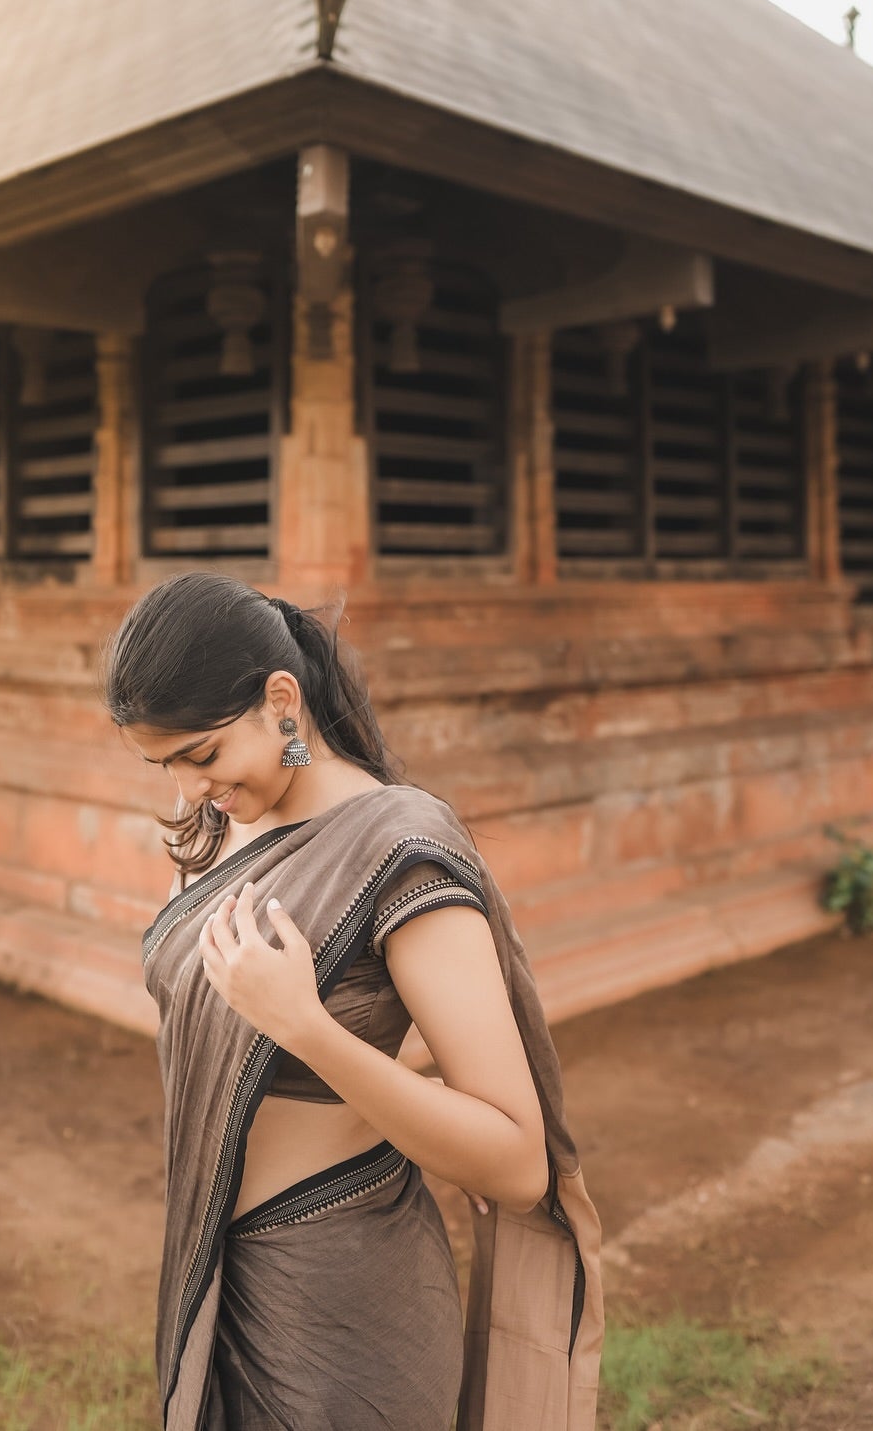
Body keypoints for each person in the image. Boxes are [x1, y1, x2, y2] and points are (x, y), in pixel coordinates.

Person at [101, 572, 603, 1431]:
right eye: (165, 764)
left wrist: (305, 1025)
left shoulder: (398, 846)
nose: (187, 790)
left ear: (281, 701)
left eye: (203, 755)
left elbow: (518, 1162)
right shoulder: (225, 823)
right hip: (220, 1267)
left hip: (344, 1292)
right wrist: (407, 1094)